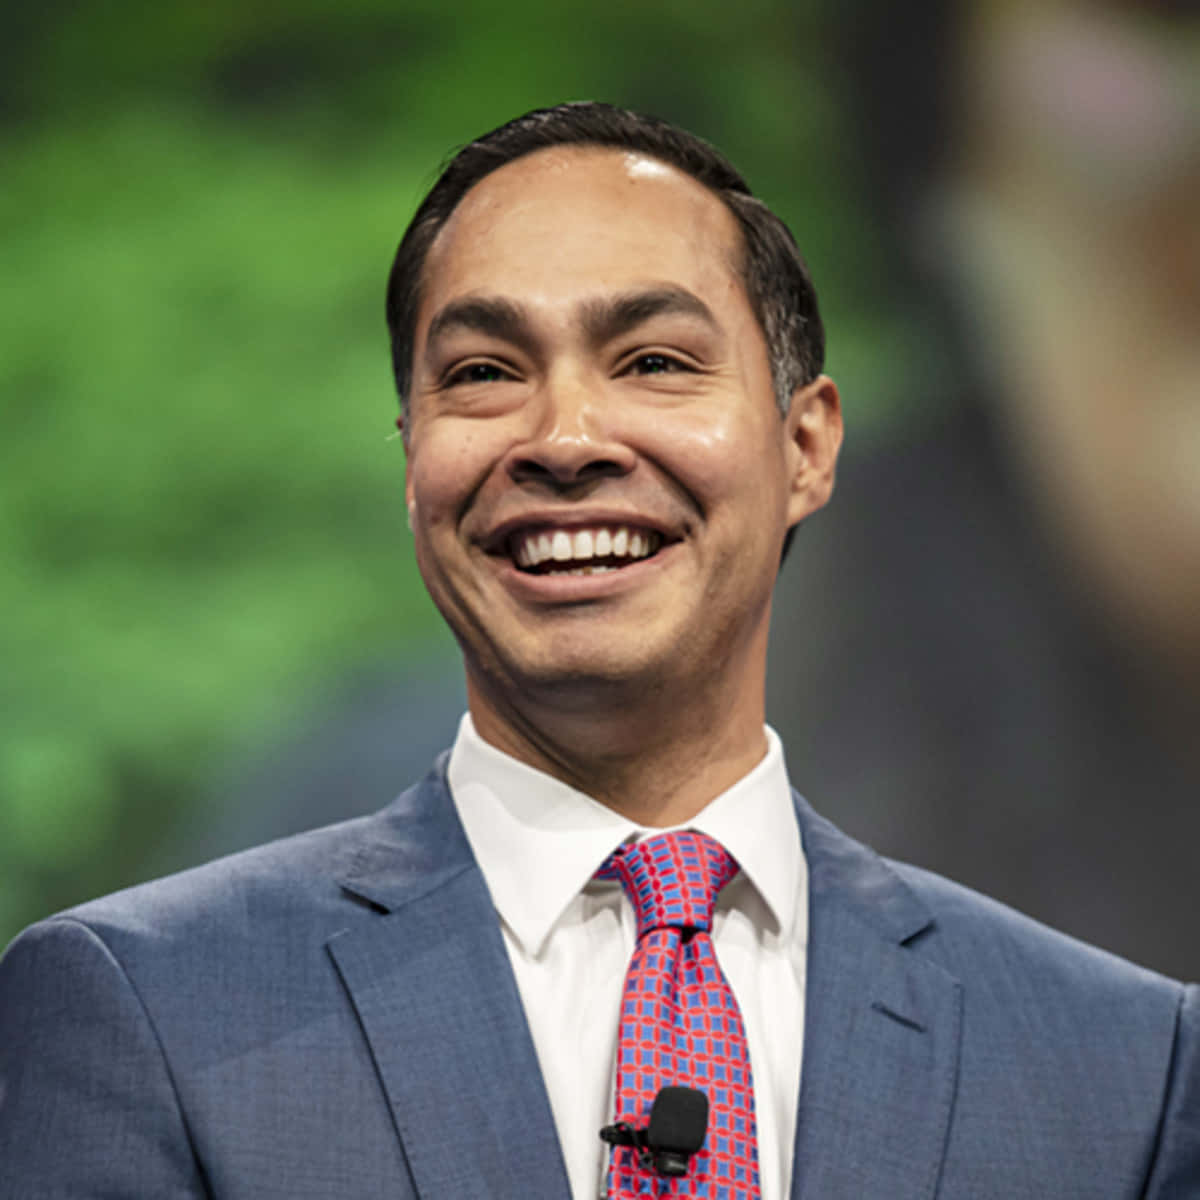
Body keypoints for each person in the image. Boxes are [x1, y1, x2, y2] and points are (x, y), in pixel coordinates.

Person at [0, 101, 1196, 1199]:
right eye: (481, 374)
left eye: (656, 363)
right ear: (411, 456)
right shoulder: (146, 1012)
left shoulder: (1127, 1068)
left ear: (807, 445)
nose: (566, 437)